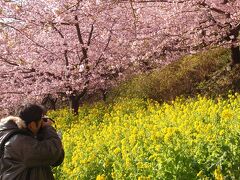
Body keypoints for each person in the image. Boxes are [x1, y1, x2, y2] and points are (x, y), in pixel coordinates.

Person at [0, 103, 64, 180]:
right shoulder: (18, 141)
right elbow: (52, 153)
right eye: (41, 121)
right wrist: (48, 128)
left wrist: (42, 134)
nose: (42, 124)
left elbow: (56, 160)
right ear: (32, 125)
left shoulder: (22, 135)